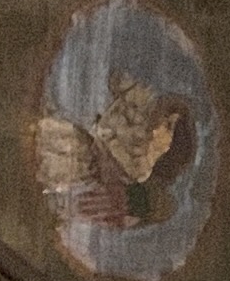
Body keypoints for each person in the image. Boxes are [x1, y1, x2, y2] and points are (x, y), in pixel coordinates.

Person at [34, 71, 197, 232]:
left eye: (169, 127)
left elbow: (116, 173)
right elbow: (120, 82)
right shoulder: (142, 114)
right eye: (167, 120)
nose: (160, 129)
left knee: (49, 160)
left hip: (83, 160)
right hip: (84, 147)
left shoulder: (141, 167)